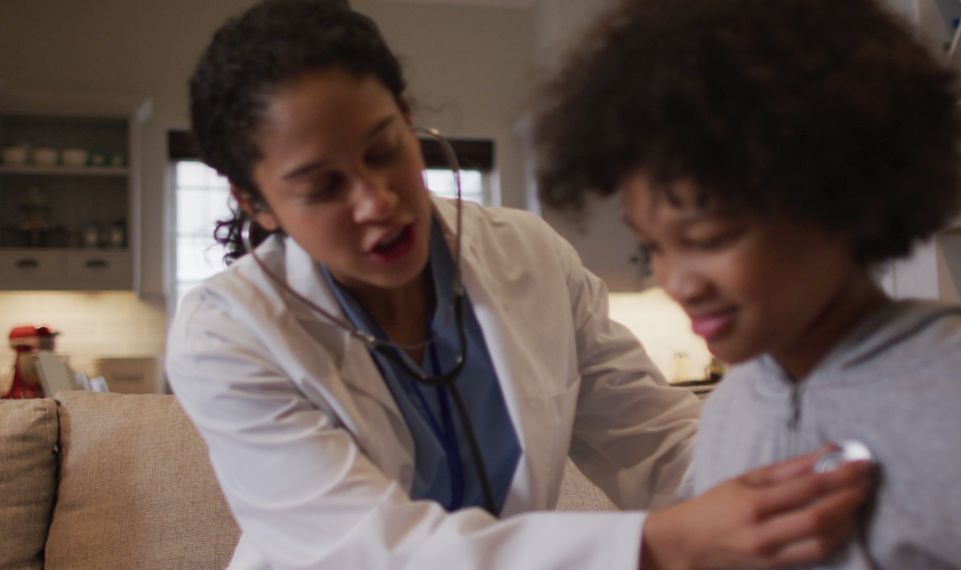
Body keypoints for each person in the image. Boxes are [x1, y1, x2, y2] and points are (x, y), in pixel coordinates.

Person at [168, 0, 875, 568]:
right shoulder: (226, 335)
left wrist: (803, 487)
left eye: (385, 150)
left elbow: (653, 441)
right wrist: (665, 544)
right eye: (322, 187)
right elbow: (368, 551)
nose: (376, 200)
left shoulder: (529, 256)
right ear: (256, 203)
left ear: (410, 120)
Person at [534, 0, 961, 567]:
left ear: (841, 201)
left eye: (710, 238)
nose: (676, 282)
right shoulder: (736, 403)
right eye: (654, 248)